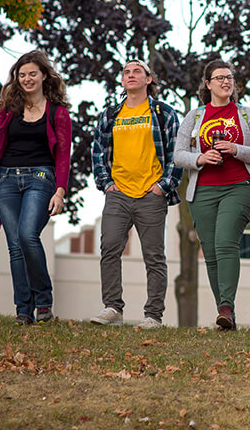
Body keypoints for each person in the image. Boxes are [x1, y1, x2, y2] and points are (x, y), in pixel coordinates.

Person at [174, 60, 250, 331]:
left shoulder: (247, 115)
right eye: (219, 78)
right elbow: (179, 155)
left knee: (226, 242)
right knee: (212, 252)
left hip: (239, 185)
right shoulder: (194, 116)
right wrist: (201, 157)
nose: (226, 82)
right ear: (208, 84)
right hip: (202, 189)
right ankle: (225, 316)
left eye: (229, 77)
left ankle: (226, 306)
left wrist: (236, 148)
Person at [0, 51, 72, 325]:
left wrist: (60, 191)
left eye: (32, 73)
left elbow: (63, 154)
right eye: (22, 75)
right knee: (15, 246)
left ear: (44, 75)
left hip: (41, 177)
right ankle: (23, 310)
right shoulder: (7, 111)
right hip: (6, 179)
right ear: (16, 79)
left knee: (28, 235)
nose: (27, 79)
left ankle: (43, 302)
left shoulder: (58, 112)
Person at [90, 59, 183, 329]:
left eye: (137, 72)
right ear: (122, 81)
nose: (131, 75)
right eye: (126, 72)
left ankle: (153, 315)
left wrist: (162, 187)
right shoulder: (110, 115)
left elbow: (176, 154)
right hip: (118, 193)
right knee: (109, 248)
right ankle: (113, 309)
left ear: (148, 79)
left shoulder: (163, 113)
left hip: (151, 194)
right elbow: (97, 152)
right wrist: (106, 183)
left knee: (154, 256)